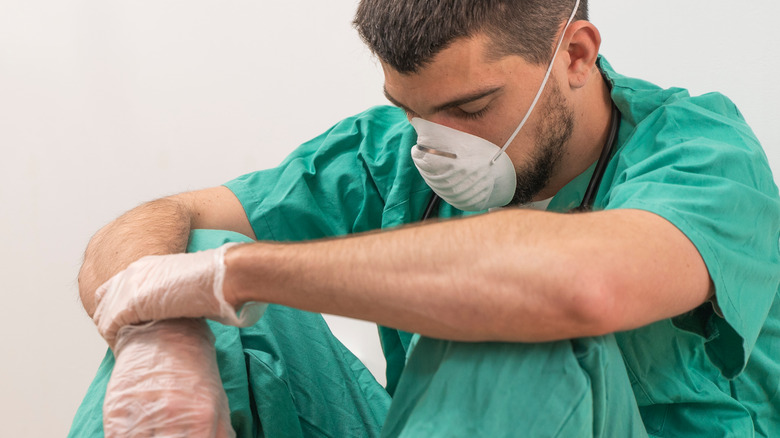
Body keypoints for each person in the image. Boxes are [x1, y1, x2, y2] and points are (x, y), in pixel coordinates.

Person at [69, 0, 780, 437]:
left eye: (470, 109)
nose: (435, 144)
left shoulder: (700, 152)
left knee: (505, 313)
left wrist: (236, 274)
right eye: (412, 111)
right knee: (189, 256)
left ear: (575, 54)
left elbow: (578, 286)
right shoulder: (387, 154)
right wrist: (156, 333)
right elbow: (161, 219)